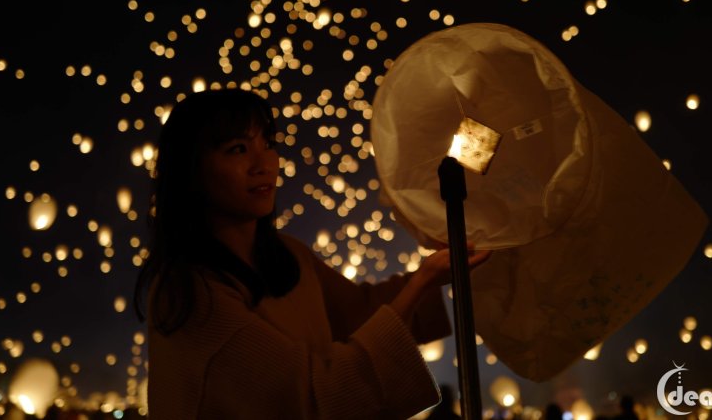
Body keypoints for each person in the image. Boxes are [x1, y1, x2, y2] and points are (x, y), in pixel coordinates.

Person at [133, 88, 491, 419]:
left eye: (268, 143)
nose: (265, 163)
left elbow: (361, 313)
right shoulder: (191, 293)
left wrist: (432, 275)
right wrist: (422, 282)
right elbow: (315, 394)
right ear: (191, 170)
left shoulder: (290, 255)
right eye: (238, 149)